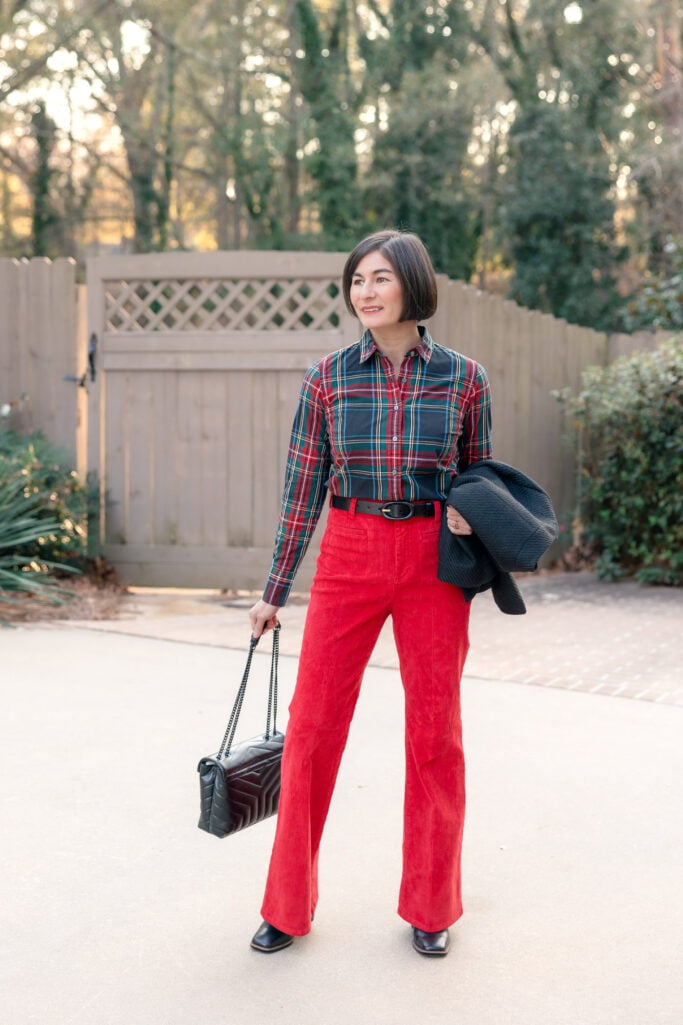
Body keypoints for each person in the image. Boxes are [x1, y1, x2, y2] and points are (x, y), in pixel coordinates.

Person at [248, 229, 492, 957]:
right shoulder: (327, 377)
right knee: (312, 728)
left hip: (430, 561)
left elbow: (482, 477)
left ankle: (431, 904)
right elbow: (300, 489)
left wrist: (465, 512)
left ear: (411, 286)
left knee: (434, 734)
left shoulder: (463, 378)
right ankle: (286, 906)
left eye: (380, 278)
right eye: (356, 280)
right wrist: (273, 590)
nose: (365, 291)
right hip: (349, 552)